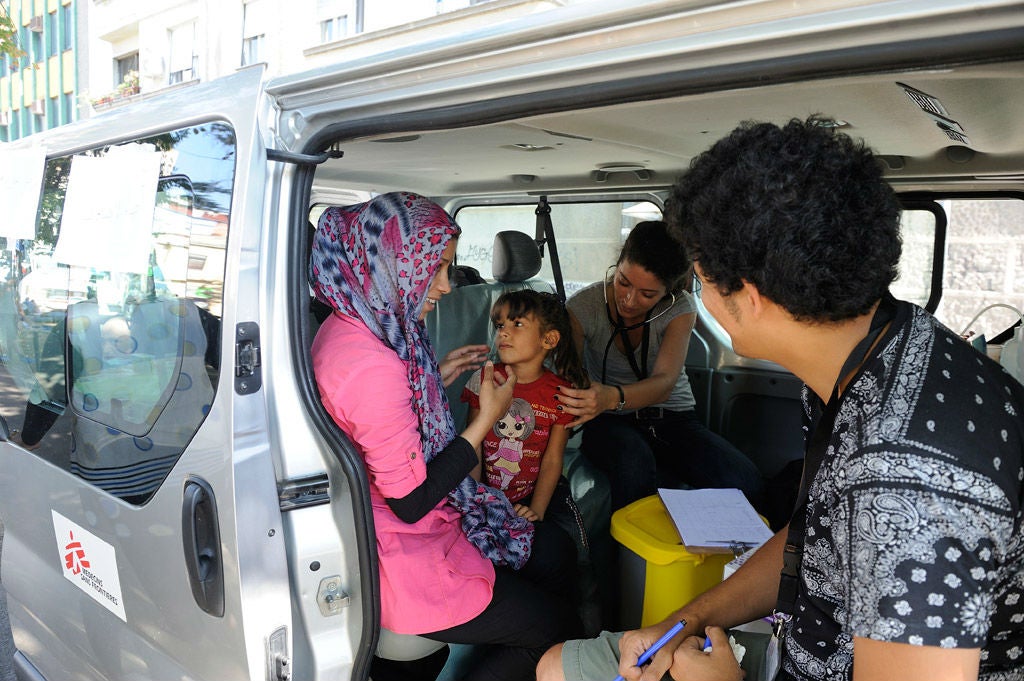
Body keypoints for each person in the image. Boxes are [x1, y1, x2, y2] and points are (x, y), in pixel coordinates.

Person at [537, 118, 1024, 681]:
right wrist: (684, 620)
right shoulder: (888, 348)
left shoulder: (906, 477)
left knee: (557, 671)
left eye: (698, 279)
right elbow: (817, 531)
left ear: (748, 295)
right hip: (797, 639)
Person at [309, 192, 580, 681]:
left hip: (417, 522)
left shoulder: (357, 324)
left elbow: (374, 418)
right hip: (408, 549)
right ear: (392, 262)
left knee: (556, 552)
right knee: (557, 627)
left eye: (449, 268)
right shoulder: (373, 362)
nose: (445, 286)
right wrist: (484, 420)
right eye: (435, 268)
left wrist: (434, 374)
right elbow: (410, 502)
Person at [555, 220, 764, 512]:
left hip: (671, 418)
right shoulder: (583, 306)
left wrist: (610, 395)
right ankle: (633, 555)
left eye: (647, 294)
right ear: (617, 265)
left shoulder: (680, 309)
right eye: (623, 281)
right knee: (633, 461)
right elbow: (569, 375)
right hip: (608, 420)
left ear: (667, 290)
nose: (628, 300)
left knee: (744, 480)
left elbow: (665, 383)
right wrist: (586, 398)